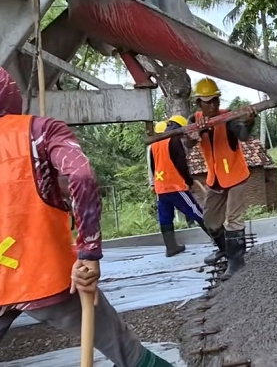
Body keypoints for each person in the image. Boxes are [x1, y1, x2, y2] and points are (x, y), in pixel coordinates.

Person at [0, 68, 173, 366]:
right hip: (45, 273)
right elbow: (80, 174)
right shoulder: (41, 131)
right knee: (128, 353)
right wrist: (89, 252)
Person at [185, 77, 257, 280]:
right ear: (199, 103)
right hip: (215, 177)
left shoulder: (229, 118)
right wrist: (194, 134)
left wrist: (250, 122)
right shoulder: (194, 119)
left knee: (233, 219)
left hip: (235, 175)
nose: (213, 105)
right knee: (210, 220)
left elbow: (242, 136)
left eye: (215, 100)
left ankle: (237, 262)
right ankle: (225, 249)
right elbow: (189, 144)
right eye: (208, 101)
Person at [150, 114, 209, 257]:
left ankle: (171, 247)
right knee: (196, 211)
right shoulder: (174, 140)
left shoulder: (155, 143)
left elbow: (153, 167)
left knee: (165, 217)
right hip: (175, 186)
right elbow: (181, 164)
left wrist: (156, 183)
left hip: (161, 188)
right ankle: (220, 240)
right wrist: (188, 181)